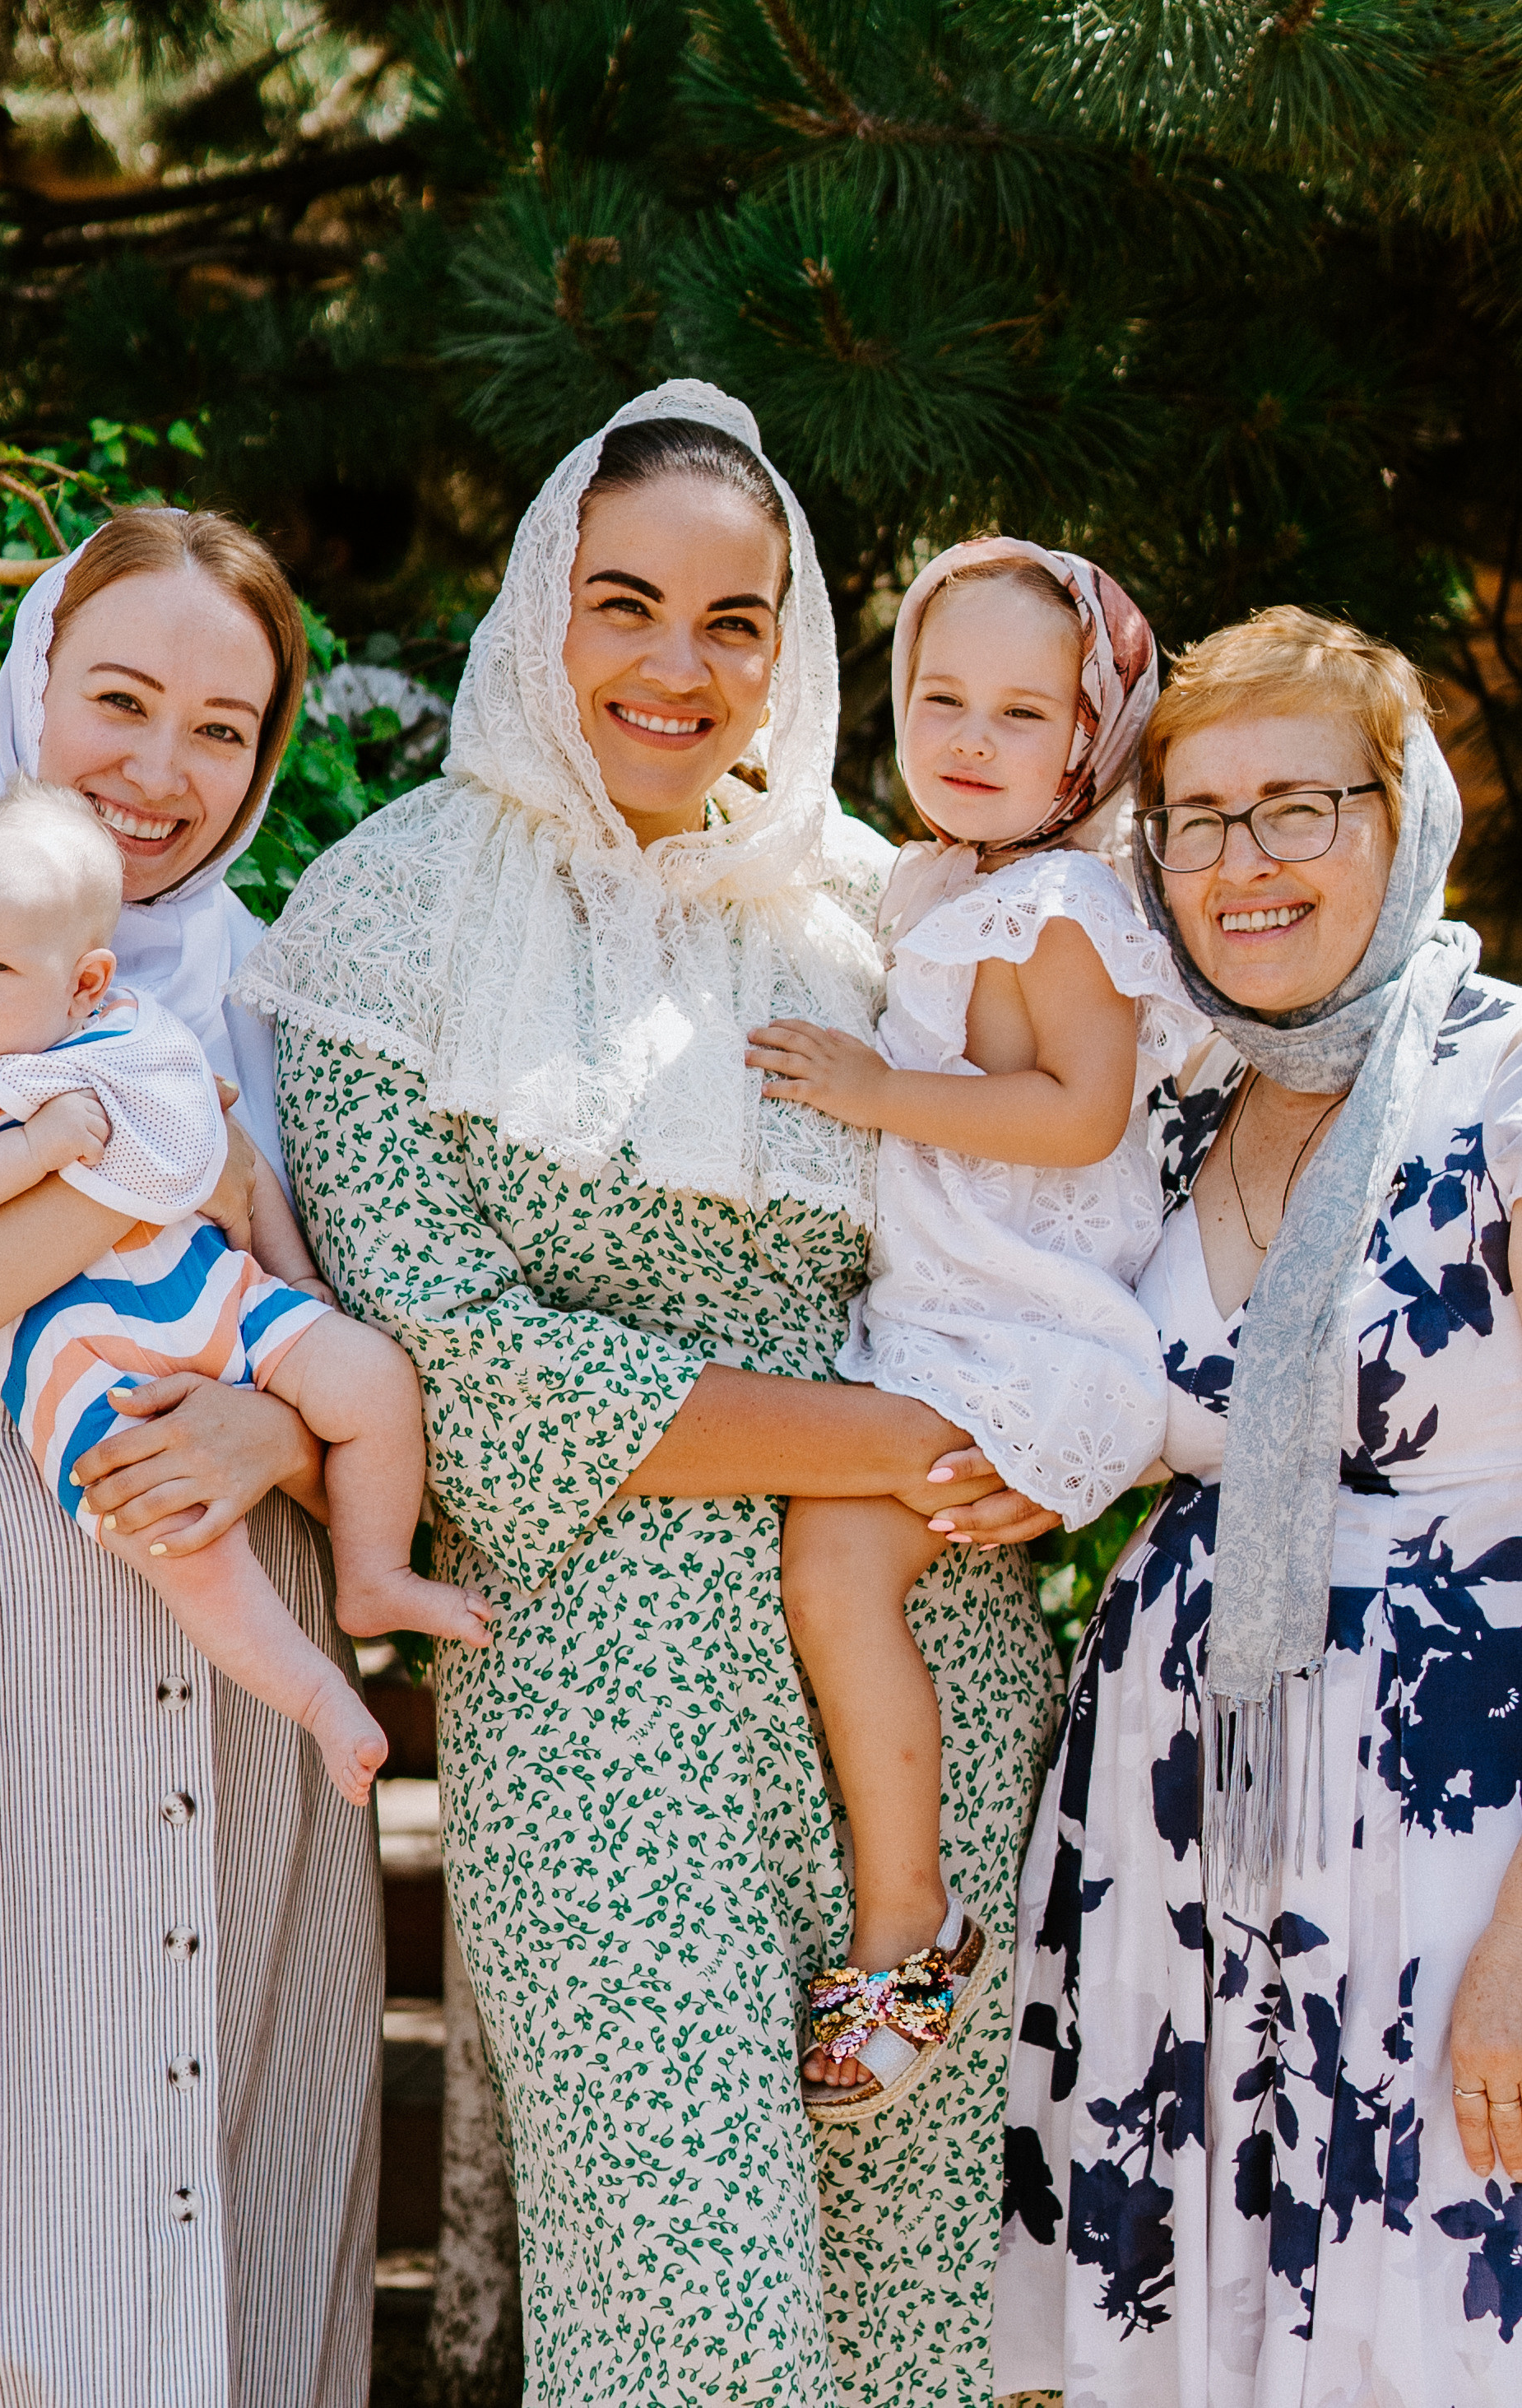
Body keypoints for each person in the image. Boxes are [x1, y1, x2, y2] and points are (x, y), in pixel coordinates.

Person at [238, 382, 1067, 2408]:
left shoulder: (887, 911)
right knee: (694, 2322)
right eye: (625, 606)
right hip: (603, 1690)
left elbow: (1052, 1240)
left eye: (733, 618)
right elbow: (451, 1350)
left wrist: (1062, 1441)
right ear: (541, 608)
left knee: (920, 2332)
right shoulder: (388, 910)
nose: (675, 669)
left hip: (927, 1672)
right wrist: (878, 1441)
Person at [0, 509, 383, 2402]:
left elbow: (361, 1356)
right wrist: (122, 1159)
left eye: (220, 731)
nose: (160, 773)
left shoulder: (280, 984)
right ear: (33, 683)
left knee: (224, 2237)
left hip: (238, 1693)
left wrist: (274, 1422)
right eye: (120, 700)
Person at [993, 606, 1522, 2407]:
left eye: (1295, 805)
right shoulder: (1151, 1108)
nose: (1243, 863)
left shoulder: (1503, 1089)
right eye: (1196, 819)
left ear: (1405, 814)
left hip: (1445, 1844)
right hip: (1171, 1831)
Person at [749, 540, 1200, 2120]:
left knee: (833, 1559)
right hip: (947, 1314)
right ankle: (905, 1899)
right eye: (940, 695)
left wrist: (872, 1090)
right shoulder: (939, 878)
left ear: (1089, 739)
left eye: (1022, 710)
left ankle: (908, 1914)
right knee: (836, 1568)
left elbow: (1077, 1113)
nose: (967, 736)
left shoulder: (1066, 901)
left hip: (1031, 1326)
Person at [0, 780, 487, 1805]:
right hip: (75, 1353)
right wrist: (41, 1151)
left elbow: (231, 1163)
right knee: (176, 1537)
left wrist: (299, 1284)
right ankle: (315, 1694)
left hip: (210, 1294)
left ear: (86, 981)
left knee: (368, 1374)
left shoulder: (135, 1033)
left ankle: (372, 1573)